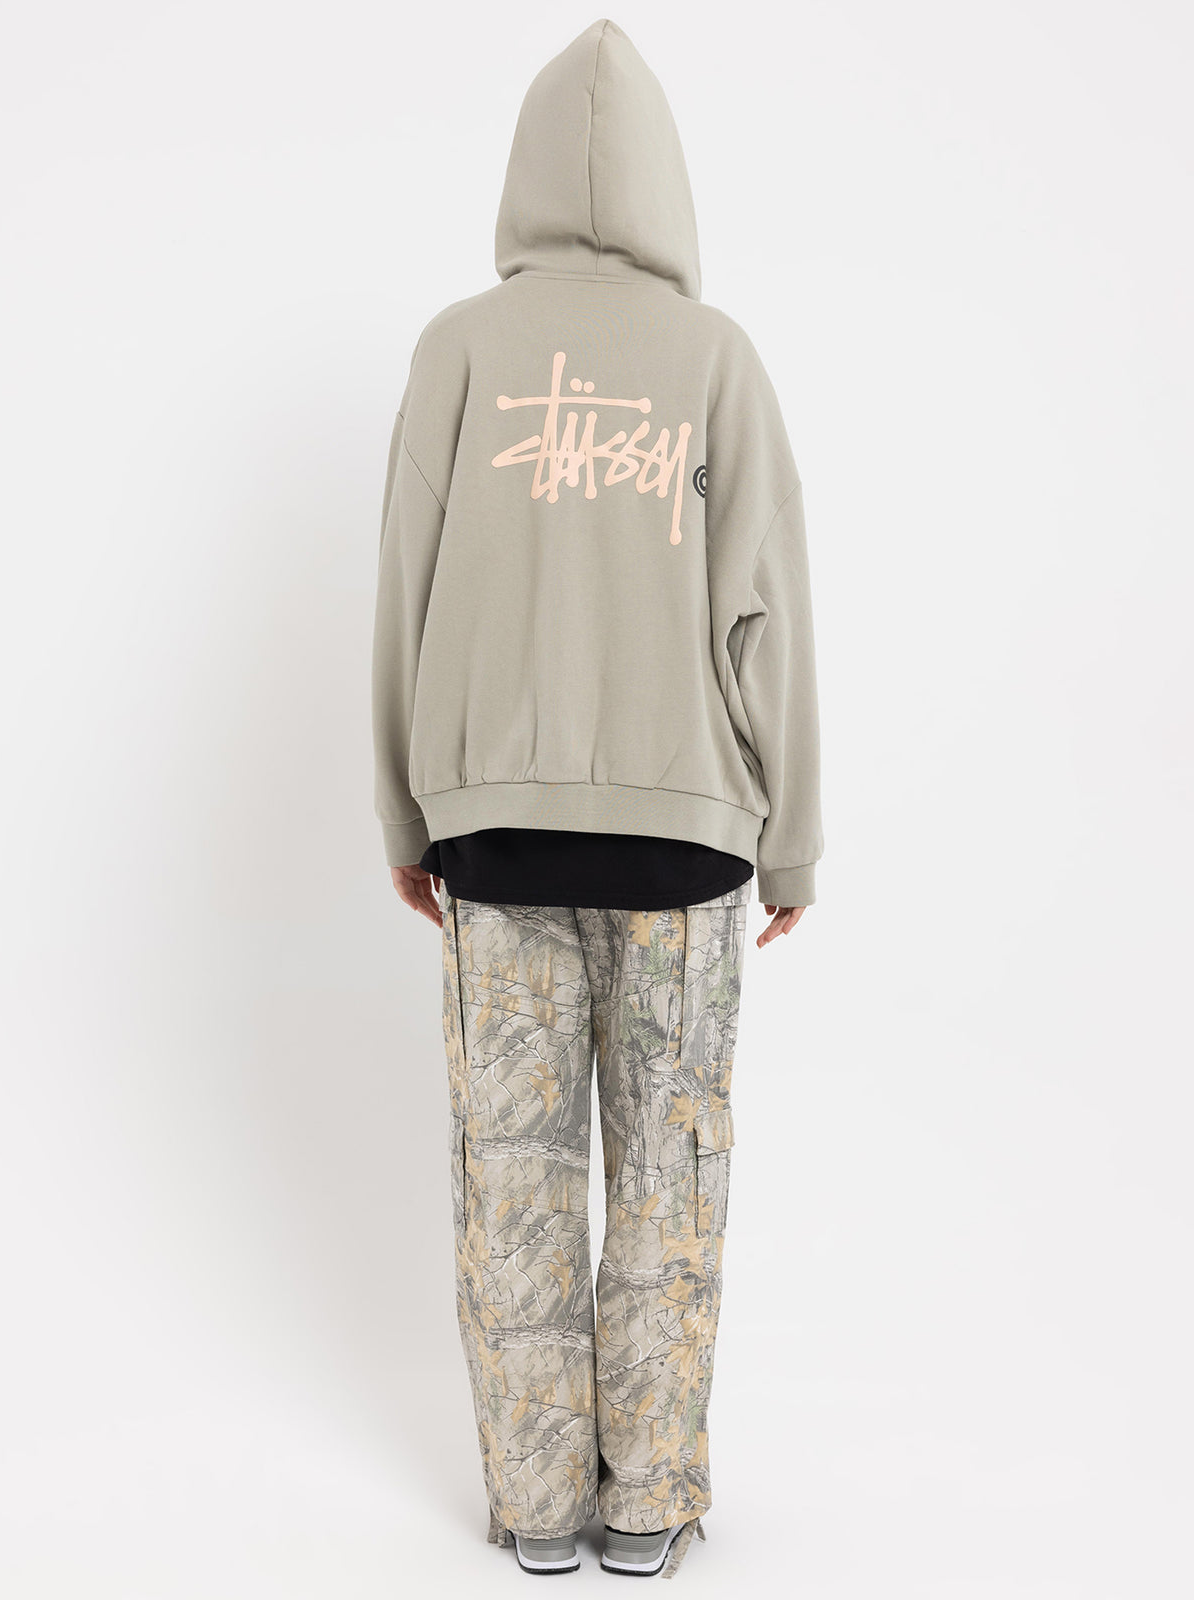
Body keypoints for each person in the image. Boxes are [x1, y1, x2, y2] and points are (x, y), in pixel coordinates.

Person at [371, 17, 822, 1580]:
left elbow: (404, 597)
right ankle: (649, 1506)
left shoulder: (458, 353)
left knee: (515, 1181)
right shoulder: (716, 360)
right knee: (669, 1182)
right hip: (687, 843)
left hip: (493, 836)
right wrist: (792, 838)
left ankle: (540, 1505)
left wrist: (407, 814)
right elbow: (772, 613)